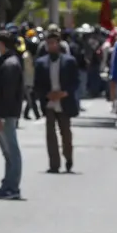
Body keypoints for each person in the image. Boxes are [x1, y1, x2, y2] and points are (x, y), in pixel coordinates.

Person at [34, 29, 79, 173]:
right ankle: (54, 164)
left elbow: (75, 82)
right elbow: (38, 84)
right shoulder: (41, 63)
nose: (51, 46)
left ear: (59, 44)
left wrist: (64, 93)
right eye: (49, 43)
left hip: (64, 101)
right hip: (49, 102)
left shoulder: (69, 61)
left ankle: (68, 157)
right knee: (50, 133)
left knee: (65, 132)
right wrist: (47, 94)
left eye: (54, 43)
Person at [0, 30, 24, 199]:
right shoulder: (7, 61)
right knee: (7, 152)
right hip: (3, 113)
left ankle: (13, 187)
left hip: (6, 114)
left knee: (11, 151)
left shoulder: (10, 64)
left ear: (2, 44)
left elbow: (8, 94)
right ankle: (7, 183)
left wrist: (1, 117)